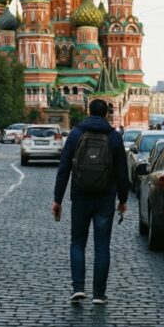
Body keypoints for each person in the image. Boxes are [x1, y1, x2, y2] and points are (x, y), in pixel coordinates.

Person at [53, 99, 129, 305]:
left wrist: (57, 199)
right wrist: (123, 199)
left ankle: (78, 288)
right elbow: (122, 172)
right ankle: (98, 293)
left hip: (80, 196)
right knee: (102, 247)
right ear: (106, 114)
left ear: (89, 112)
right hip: (105, 198)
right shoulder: (113, 137)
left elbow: (64, 169)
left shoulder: (76, 134)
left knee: (77, 242)